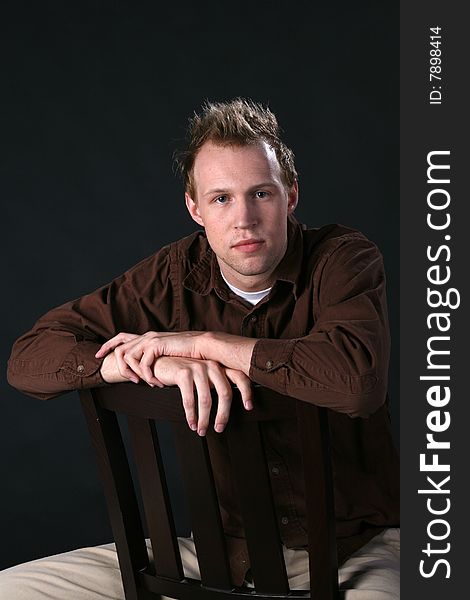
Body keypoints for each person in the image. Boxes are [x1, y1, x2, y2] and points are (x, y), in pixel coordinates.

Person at [4, 98, 400, 599]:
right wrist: (150, 364)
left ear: (291, 195)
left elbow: (356, 380)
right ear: (194, 208)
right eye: (221, 199)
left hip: (360, 546)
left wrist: (206, 343)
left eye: (261, 193)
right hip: (221, 552)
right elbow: (28, 359)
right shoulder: (173, 274)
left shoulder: (343, 259)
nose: (244, 219)